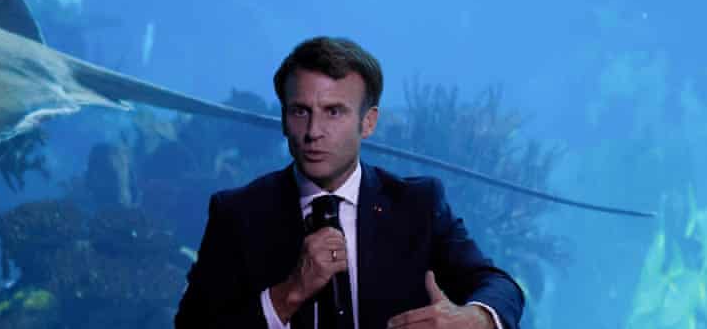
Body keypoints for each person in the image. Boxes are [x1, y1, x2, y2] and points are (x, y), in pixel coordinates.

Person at [175, 36, 524, 329]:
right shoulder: (237, 213)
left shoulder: (418, 204)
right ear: (283, 119)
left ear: (368, 122)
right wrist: (287, 294)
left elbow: (500, 286)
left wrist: (476, 319)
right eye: (300, 111)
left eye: (334, 112)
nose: (313, 132)